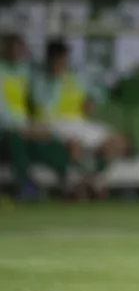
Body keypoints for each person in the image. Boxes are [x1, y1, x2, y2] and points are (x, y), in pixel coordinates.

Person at [32, 39, 128, 198]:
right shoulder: (40, 80)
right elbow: (43, 106)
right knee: (74, 146)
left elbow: (98, 93)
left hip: (78, 123)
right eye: (57, 59)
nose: (61, 62)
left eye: (63, 58)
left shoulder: (76, 77)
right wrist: (54, 80)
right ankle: (83, 184)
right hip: (54, 123)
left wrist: (91, 101)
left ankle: (93, 180)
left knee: (118, 142)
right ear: (50, 59)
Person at [0, 35, 72, 200]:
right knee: (16, 140)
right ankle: (25, 185)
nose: (18, 53)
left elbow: (45, 104)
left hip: (26, 129)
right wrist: (22, 127)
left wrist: (55, 80)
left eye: (21, 49)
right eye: (14, 49)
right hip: (6, 132)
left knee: (55, 142)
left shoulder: (27, 72)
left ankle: (67, 183)